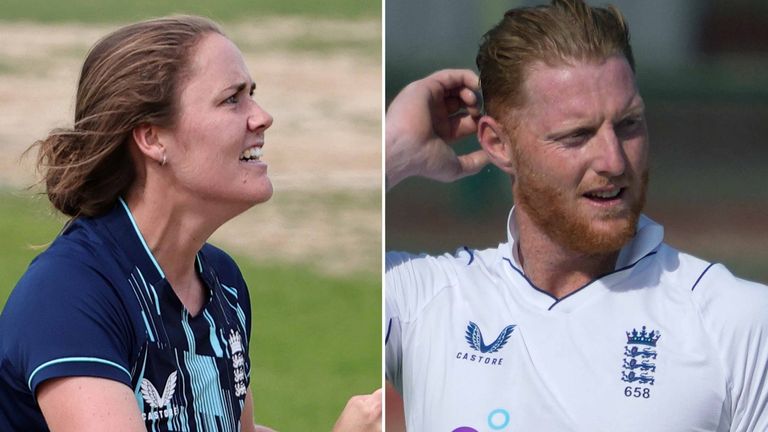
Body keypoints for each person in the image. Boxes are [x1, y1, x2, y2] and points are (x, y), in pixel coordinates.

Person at [384, 1, 768, 430]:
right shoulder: (421, 300)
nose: (613, 160)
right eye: (577, 135)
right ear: (497, 143)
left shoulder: (739, 322)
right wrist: (391, 151)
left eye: (629, 124)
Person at [0, 16, 381, 431]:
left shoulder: (221, 280)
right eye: (232, 99)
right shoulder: (71, 295)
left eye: (252, 95)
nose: (262, 117)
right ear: (152, 139)